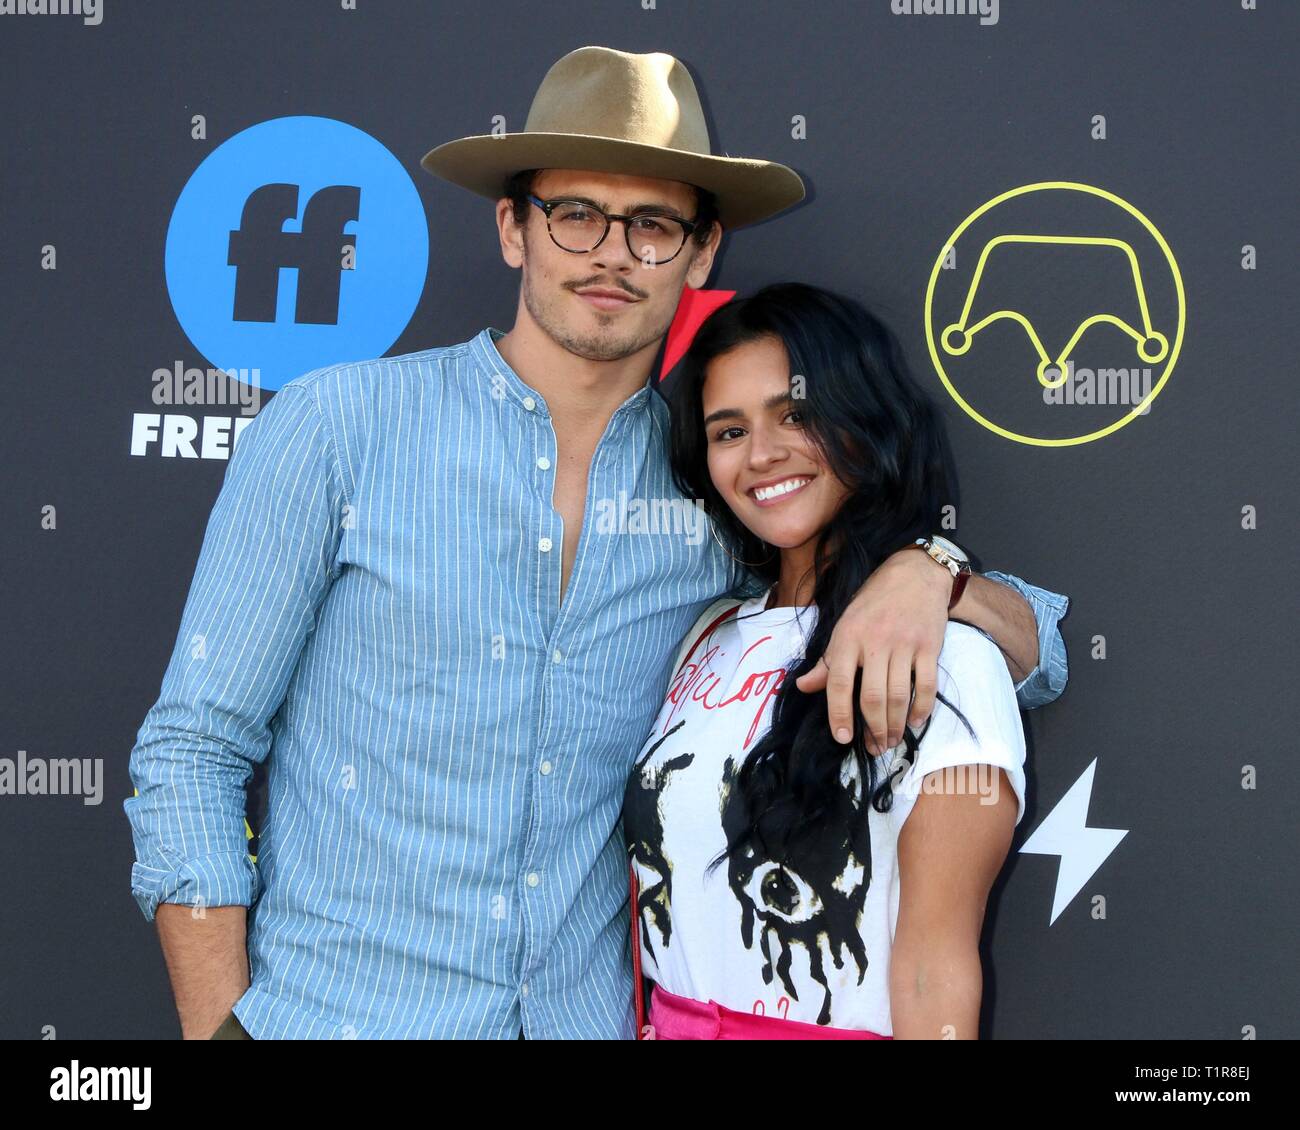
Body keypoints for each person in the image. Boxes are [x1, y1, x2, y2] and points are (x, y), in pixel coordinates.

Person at [125, 46, 1068, 1040]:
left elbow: (1035, 649)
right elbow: (193, 746)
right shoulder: (338, 428)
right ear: (511, 228)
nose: (611, 254)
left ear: (701, 255)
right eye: (575, 213)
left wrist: (931, 571)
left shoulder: (717, 485)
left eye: (653, 224)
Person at [626, 282, 1038, 1039]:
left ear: (863, 418)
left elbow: (933, 972)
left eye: (796, 414)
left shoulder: (949, 658)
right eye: (727, 431)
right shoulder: (704, 638)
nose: (762, 455)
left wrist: (931, 572)